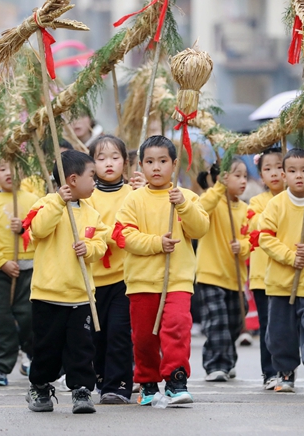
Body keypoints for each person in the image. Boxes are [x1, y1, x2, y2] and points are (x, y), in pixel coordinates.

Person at [116, 135, 210, 406]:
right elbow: (124, 236)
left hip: (178, 279)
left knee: (177, 328)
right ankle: (147, 382)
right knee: (144, 336)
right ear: (140, 165)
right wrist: (157, 243)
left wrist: (183, 204)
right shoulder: (133, 200)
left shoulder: (187, 197)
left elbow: (199, 229)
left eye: (163, 161)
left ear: (174, 164)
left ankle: (176, 379)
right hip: (142, 280)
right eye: (149, 162)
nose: (156, 167)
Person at [25, 150, 110, 414]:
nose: (95, 181)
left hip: (81, 295)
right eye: (91, 176)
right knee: (46, 348)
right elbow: (37, 230)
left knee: (81, 348)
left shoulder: (92, 213)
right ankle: (39, 385)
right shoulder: (45, 204)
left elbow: (101, 244)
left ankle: (82, 390)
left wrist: (90, 249)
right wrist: (58, 203)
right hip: (48, 293)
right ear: (72, 179)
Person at [0, 159, 39, 386]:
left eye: (15, 167)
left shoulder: (33, 200)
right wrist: (1, 262)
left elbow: (43, 231)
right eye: (3, 169)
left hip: (29, 268)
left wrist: (23, 229)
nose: (9, 173)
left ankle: (32, 356)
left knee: (30, 316)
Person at [258, 148, 304, 394]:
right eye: (292, 171)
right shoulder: (276, 204)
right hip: (281, 283)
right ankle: (285, 371)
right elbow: (265, 238)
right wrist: (291, 257)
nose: (299, 176)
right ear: (284, 174)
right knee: (279, 333)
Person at [84, 135, 135, 404]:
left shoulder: (134, 194)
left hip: (125, 277)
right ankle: (102, 380)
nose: (109, 163)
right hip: (92, 279)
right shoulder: (86, 197)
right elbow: (88, 232)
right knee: (97, 336)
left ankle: (119, 385)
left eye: (115, 157)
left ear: (126, 163)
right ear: (92, 165)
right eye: (101, 158)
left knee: (119, 333)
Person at [195, 157, 251, 382]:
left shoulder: (247, 209)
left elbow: (252, 239)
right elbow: (201, 207)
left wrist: (243, 246)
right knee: (217, 321)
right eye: (237, 176)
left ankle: (228, 360)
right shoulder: (212, 201)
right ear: (223, 178)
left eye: (245, 176)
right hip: (210, 274)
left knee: (234, 321)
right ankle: (215, 365)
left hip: (235, 278)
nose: (243, 181)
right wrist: (219, 185)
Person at [247, 147, 284, 389]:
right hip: (263, 277)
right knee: (268, 327)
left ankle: (287, 369)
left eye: (280, 167)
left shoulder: (299, 199)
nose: (274, 173)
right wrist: (280, 211)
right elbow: (255, 226)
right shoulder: (257, 201)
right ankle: (270, 372)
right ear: (261, 175)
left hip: (290, 275)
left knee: (285, 328)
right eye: (267, 168)